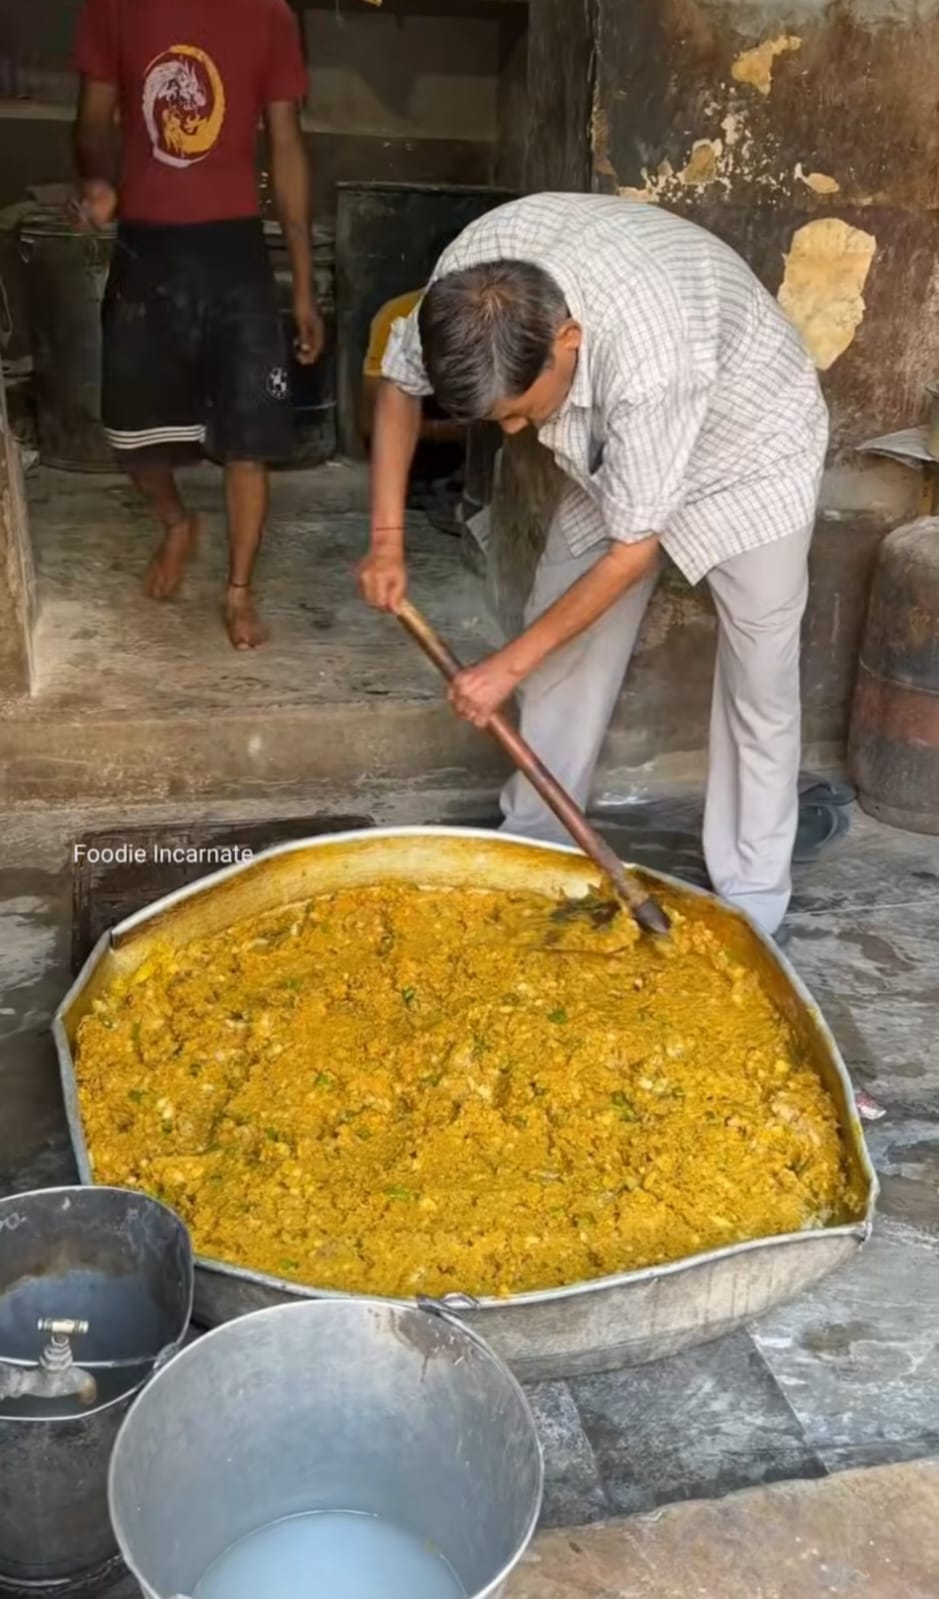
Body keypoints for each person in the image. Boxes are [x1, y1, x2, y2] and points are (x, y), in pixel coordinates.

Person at [359, 194, 828, 939]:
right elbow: (397, 387)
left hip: (747, 444)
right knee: (563, 643)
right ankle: (536, 844)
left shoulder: (653, 357)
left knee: (760, 675)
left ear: (567, 339)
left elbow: (631, 554)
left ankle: (752, 896)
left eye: (520, 410)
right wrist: (386, 538)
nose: (515, 430)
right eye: (499, 419)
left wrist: (503, 667)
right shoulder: (462, 289)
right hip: (611, 436)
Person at [73, 0, 323, 650]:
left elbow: (287, 146)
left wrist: (301, 283)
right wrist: (97, 180)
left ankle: (238, 589)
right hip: (147, 247)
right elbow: (93, 118)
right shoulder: (114, 7)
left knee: (249, 436)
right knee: (130, 433)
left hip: (235, 253)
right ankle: (175, 521)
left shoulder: (269, 14)